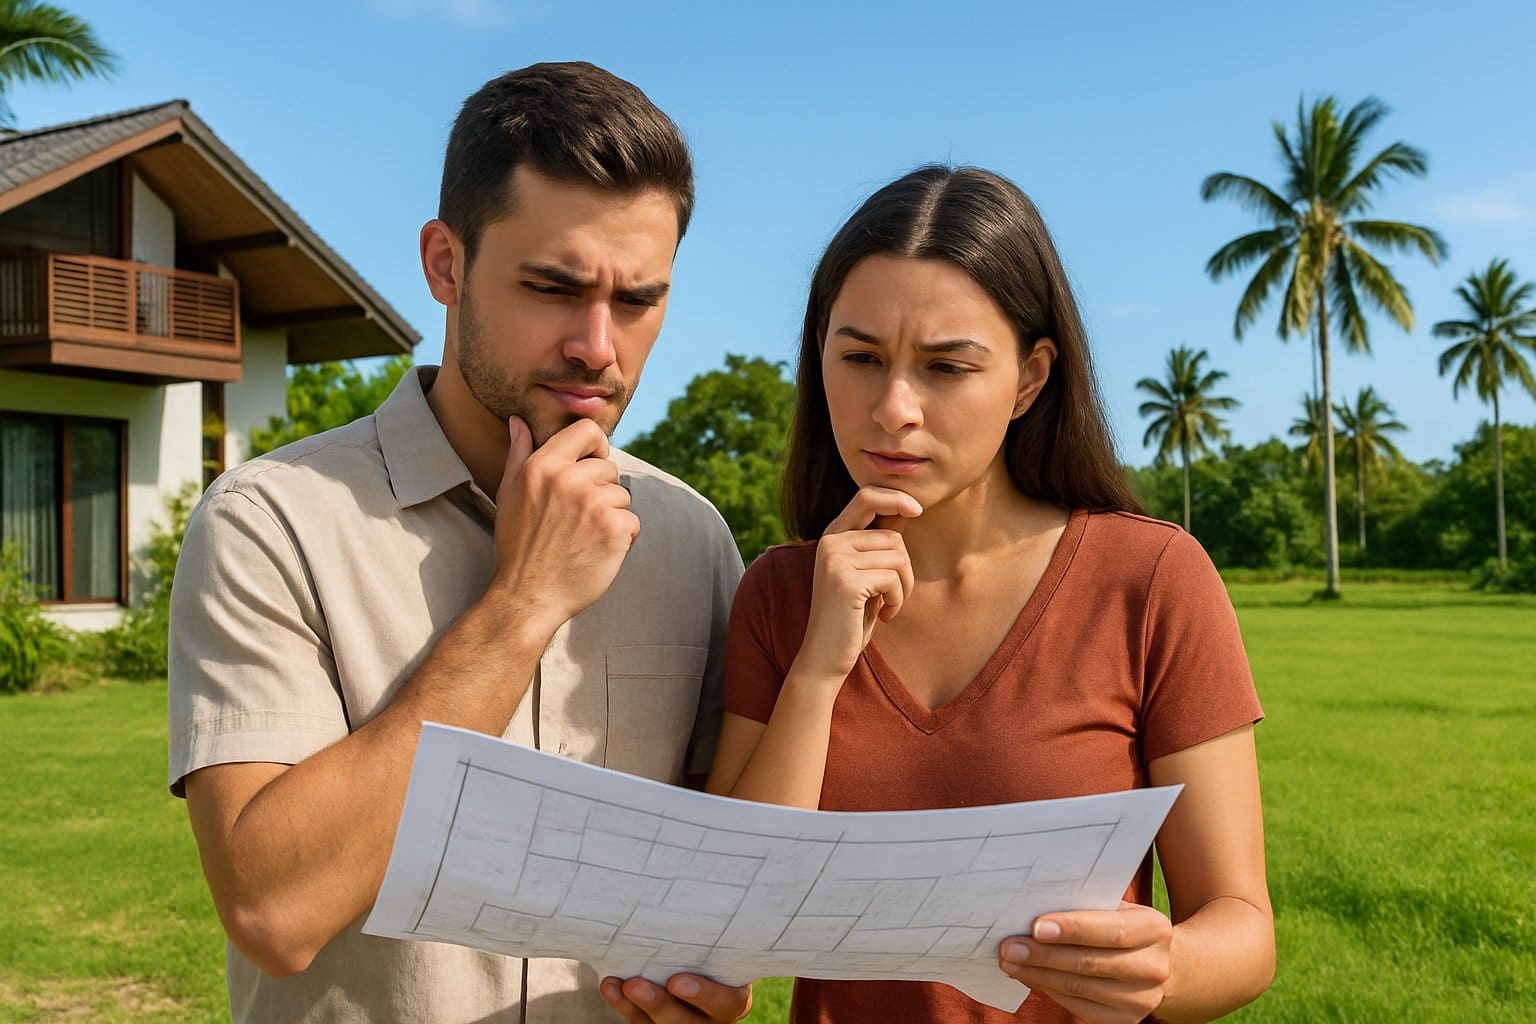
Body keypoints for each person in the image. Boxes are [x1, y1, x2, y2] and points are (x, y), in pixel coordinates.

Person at [168, 62, 753, 1024]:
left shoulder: (691, 539)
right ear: (445, 263)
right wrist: (522, 606)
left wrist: (710, 977)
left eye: (639, 300)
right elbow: (274, 910)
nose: (598, 345)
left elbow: (716, 883)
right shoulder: (269, 524)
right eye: (553, 287)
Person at [706, 165, 1274, 1024]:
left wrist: (1168, 964)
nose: (893, 407)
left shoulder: (1152, 580)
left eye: (946, 367)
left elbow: (1242, 928)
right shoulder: (781, 592)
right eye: (858, 357)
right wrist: (819, 672)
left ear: (1030, 378)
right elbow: (723, 915)